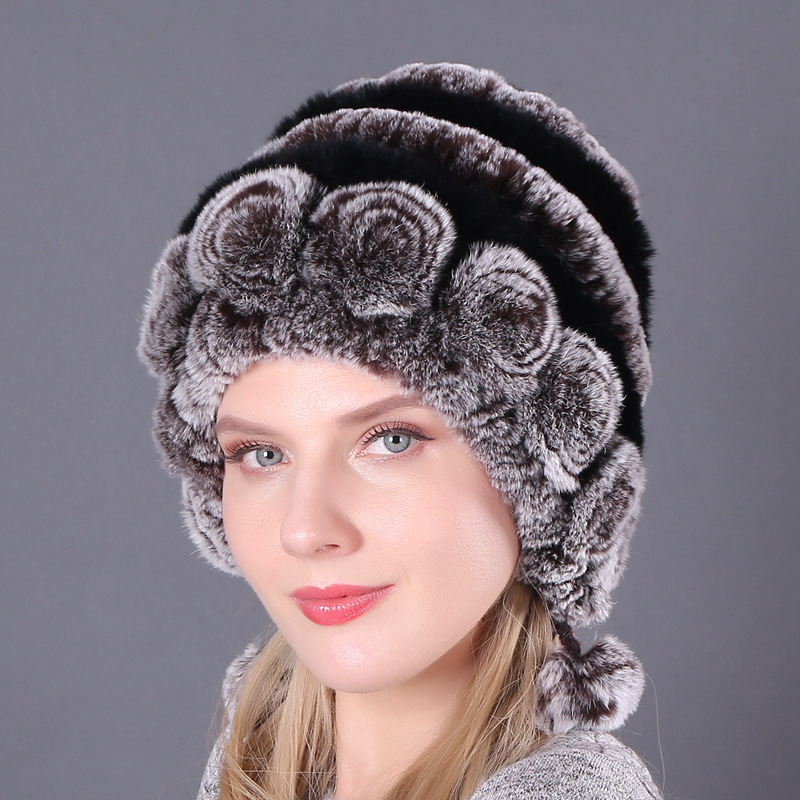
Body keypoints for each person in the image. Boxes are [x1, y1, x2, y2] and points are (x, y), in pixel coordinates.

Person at [139, 63, 662, 800]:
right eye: (261, 453)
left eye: (391, 440)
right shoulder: (253, 758)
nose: (305, 529)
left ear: (545, 488)